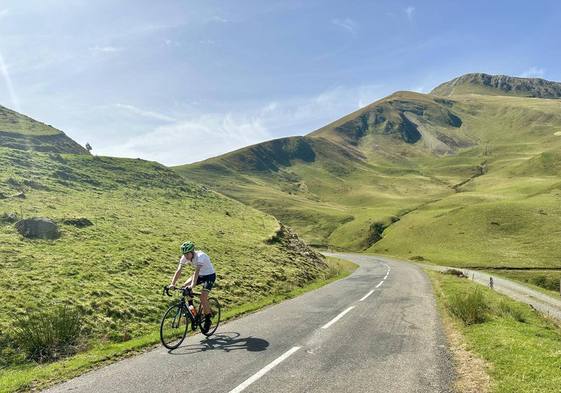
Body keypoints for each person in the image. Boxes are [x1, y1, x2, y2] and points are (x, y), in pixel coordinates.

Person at [168, 241, 216, 332]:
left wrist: (193, 285)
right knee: (184, 287)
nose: (186, 256)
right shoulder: (185, 257)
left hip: (209, 276)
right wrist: (172, 284)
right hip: (199, 275)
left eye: (187, 254)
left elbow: (197, 271)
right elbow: (178, 271)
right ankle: (192, 309)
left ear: (192, 251)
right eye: (184, 254)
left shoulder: (200, 256)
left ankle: (208, 319)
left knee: (203, 297)